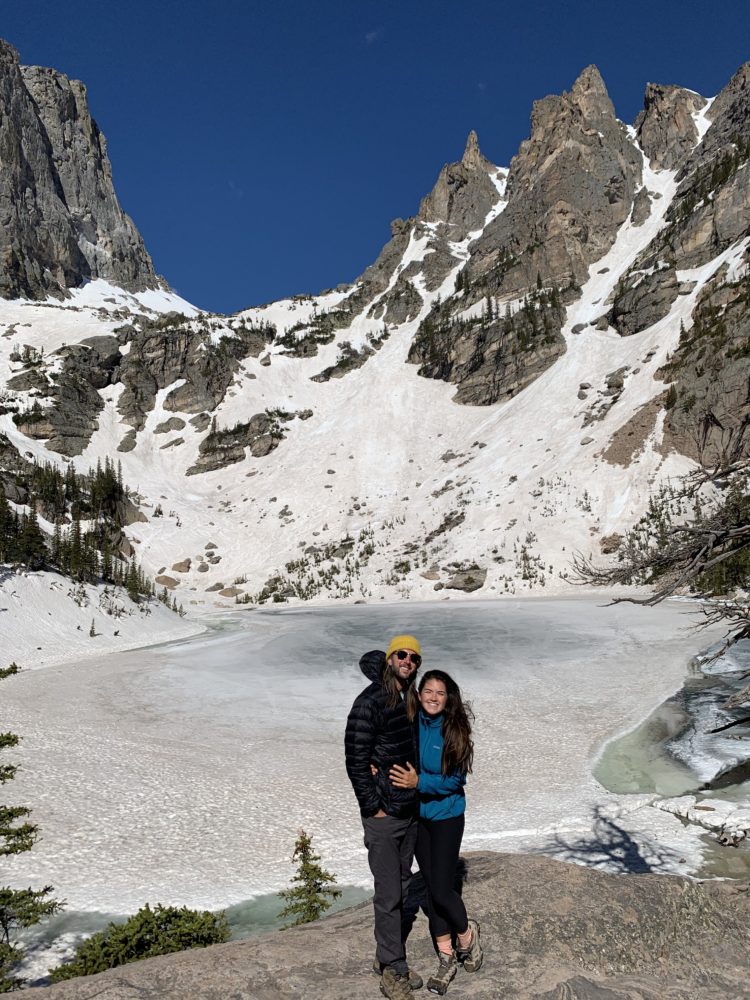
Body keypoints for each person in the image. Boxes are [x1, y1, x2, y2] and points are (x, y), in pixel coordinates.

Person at [390, 670, 483, 996]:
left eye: (439, 692)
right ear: (419, 695)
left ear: (448, 698)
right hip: (419, 818)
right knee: (431, 887)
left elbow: (454, 782)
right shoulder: (411, 725)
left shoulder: (453, 730)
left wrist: (419, 783)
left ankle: (467, 936)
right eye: (427, 690)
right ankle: (446, 958)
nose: (432, 696)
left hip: (446, 817)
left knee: (442, 891)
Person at [344, 635, 424, 1000]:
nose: (408, 661)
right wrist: (372, 806)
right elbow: (356, 761)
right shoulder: (369, 702)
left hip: (409, 810)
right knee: (389, 892)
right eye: (402, 655)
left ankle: (386, 955)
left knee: (404, 886)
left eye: (414, 658)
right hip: (383, 815)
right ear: (390, 658)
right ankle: (394, 969)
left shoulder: (410, 698)